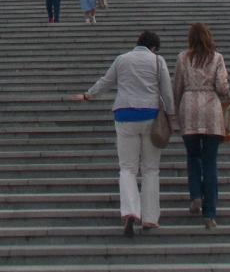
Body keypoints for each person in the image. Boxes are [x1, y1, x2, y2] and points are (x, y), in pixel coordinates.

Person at [72, 31, 173, 235]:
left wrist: (87, 95)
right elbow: (166, 91)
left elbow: (106, 81)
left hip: (124, 115)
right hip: (151, 116)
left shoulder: (122, 59)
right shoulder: (157, 60)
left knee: (127, 168)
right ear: (153, 47)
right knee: (150, 169)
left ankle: (130, 211)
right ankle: (150, 218)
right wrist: (171, 115)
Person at [173, 22, 230, 231]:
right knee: (210, 163)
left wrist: (173, 113)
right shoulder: (217, 58)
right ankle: (209, 214)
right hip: (211, 112)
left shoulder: (182, 58)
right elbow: (222, 88)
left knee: (192, 157)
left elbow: (177, 86)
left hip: (188, 108)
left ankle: (195, 195)